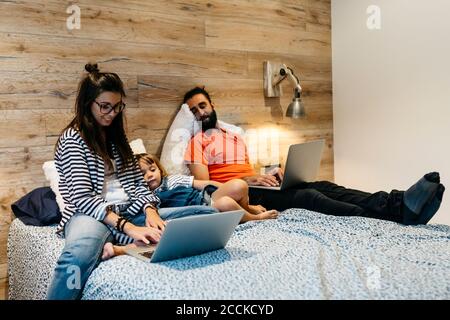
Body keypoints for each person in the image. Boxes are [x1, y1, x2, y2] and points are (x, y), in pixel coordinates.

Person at [46, 65, 216, 300]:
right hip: (90, 216)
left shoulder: (117, 137)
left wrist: (150, 211)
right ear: (88, 103)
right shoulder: (73, 139)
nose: (112, 113)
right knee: (77, 256)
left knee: (207, 217)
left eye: (117, 107)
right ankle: (126, 240)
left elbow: (137, 182)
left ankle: (122, 246)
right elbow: (83, 198)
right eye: (105, 106)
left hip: (129, 210)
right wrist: (128, 227)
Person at [182, 86, 445, 225]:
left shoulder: (235, 137)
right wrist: (253, 179)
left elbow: (245, 172)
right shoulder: (196, 142)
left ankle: (395, 203)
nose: (200, 113)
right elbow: (209, 187)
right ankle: (392, 217)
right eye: (194, 111)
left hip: (258, 185)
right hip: (244, 194)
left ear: (212, 105)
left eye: (202, 105)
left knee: (326, 186)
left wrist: (268, 174)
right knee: (309, 197)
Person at [136, 153, 278, 222]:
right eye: (142, 174)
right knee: (226, 203)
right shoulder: (145, 196)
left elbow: (204, 184)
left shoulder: (173, 179)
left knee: (239, 185)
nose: (149, 175)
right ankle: (255, 218)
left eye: (152, 170)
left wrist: (225, 188)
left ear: (160, 170)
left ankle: (247, 207)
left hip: (206, 197)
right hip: (201, 209)